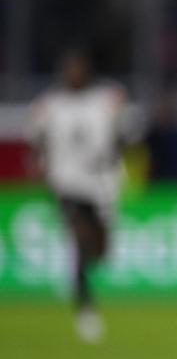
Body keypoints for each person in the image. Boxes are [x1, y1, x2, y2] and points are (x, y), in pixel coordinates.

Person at [29, 49, 128, 343]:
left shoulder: (105, 102)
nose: (75, 75)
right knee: (80, 242)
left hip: (100, 186)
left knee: (100, 250)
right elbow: (36, 140)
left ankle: (79, 281)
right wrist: (42, 167)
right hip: (67, 184)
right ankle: (85, 309)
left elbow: (122, 137)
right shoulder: (50, 106)